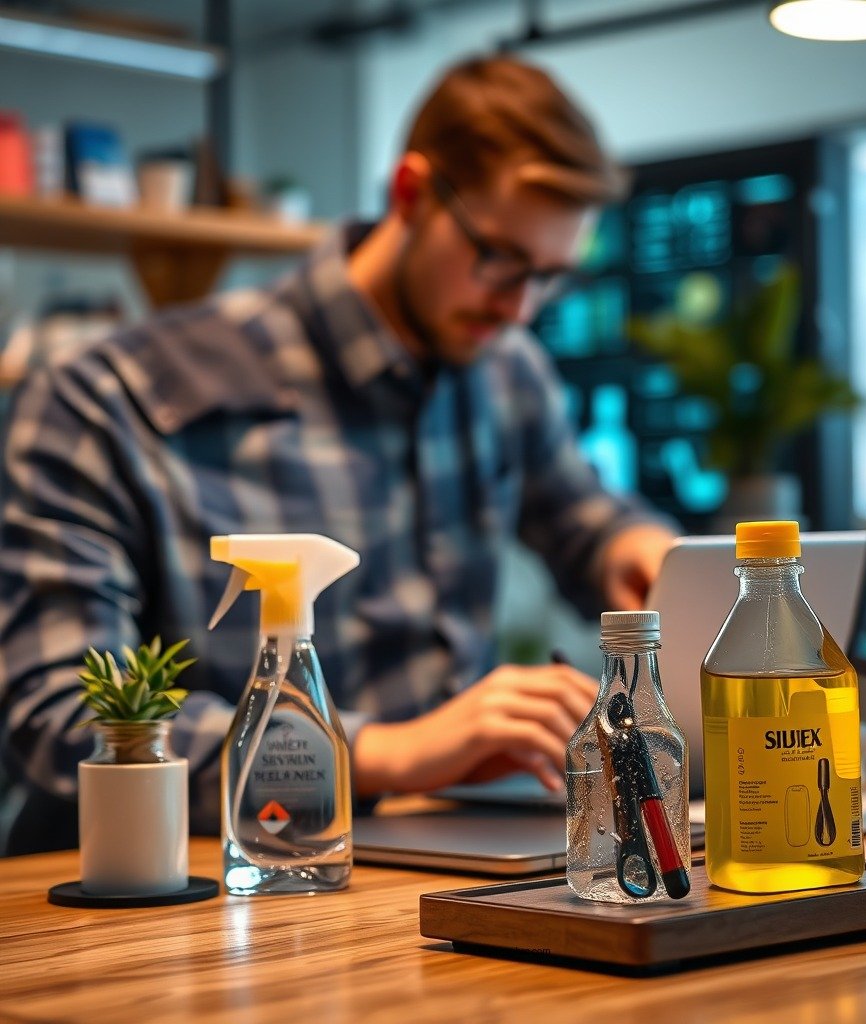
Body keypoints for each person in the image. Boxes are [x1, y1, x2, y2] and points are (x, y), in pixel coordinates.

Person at [0, 55, 677, 854]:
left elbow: (583, 519)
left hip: (445, 860)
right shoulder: (107, 400)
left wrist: (641, 556)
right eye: (498, 258)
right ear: (410, 193)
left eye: (550, 277)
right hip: (212, 882)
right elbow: (64, 717)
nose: (519, 307)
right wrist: (389, 752)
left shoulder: (504, 371)